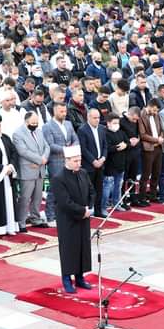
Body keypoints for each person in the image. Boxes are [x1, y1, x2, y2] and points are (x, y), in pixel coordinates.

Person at [51, 145, 95, 294]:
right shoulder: (59, 178)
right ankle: (67, 280)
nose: (78, 163)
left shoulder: (83, 173)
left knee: (82, 247)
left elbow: (91, 191)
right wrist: (82, 211)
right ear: (67, 160)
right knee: (69, 249)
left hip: (84, 217)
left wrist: (89, 207)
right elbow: (64, 202)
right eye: (75, 161)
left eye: (79, 160)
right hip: (68, 219)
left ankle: (80, 277)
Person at [12, 111, 50, 231]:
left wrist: (44, 158)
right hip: (27, 169)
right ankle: (21, 221)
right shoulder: (18, 133)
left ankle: (35, 217)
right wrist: (40, 159)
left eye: (36, 122)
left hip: (40, 169)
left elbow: (46, 146)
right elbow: (23, 151)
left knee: (38, 197)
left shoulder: (39, 131)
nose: (35, 124)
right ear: (26, 121)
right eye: (33, 122)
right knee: (25, 198)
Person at [42, 102, 78, 225]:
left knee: (69, 189)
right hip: (56, 162)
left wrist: (74, 147)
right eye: (61, 111)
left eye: (65, 111)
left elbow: (75, 138)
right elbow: (50, 145)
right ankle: (50, 216)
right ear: (54, 111)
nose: (64, 114)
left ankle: (64, 213)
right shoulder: (47, 126)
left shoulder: (68, 123)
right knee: (54, 190)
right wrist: (66, 149)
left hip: (70, 161)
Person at [78, 108, 107, 218]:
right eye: (95, 118)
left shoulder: (101, 129)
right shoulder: (82, 130)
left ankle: (98, 210)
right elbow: (83, 148)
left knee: (99, 188)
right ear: (88, 117)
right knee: (88, 190)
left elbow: (105, 145)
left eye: (98, 117)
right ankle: (88, 210)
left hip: (100, 163)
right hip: (89, 165)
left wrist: (103, 158)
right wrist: (93, 161)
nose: (97, 120)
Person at [137, 98, 164, 204]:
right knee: (146, 174)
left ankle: (152, 195)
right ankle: (142, 197)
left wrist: (161, 138)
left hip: (158, 147)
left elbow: (161, 129)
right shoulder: (141, 115)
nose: (156, 112)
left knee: (156, 172)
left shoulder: (156, 115)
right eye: (155, 110)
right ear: (150, 106)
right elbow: (142, 135)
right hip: (148, 148)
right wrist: (156, 140)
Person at [103, 112, 129, 212]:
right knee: (107, 187)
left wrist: (125, 145)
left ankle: (116, 204)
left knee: (118, 186)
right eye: (114, 123)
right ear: (108, 123)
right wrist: (117, 147)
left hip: (121, 164)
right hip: (110, 165)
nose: (116, 125)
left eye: (117, 123)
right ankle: (103, 207)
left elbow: (128, 142)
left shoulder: (121, 132)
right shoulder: (105, 133)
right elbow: (106, 148)